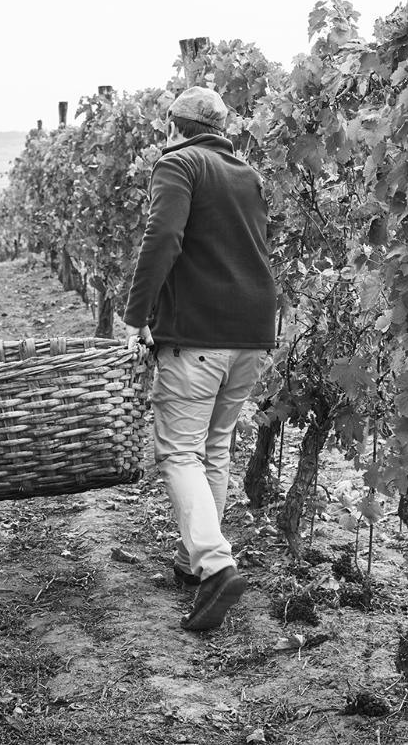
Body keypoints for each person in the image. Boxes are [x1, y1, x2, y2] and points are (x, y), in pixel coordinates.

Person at [123, 86, 278, 631]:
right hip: (253, 332)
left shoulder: (179, 164)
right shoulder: (247, 174)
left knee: (178, 452)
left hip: (200, 333)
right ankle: (198, 562)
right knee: (214, 446)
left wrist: (136, 315)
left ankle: (214, 566)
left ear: (174, 124)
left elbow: (162, 235)